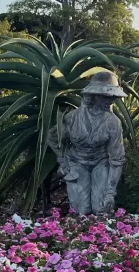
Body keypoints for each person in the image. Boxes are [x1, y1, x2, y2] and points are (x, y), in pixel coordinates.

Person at [48, 71, 126, 215]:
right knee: (81, 210)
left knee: (101, 208)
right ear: (94, 95)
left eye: (112, 96)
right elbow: (53, 137)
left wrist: (110, 192)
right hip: (76, 162)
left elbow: (117, 159)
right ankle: (80, 234)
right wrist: (62, 159)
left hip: (101, 162)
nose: (109, 100)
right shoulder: (73, 117)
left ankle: (104, 234)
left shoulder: (113, 122)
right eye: (105, 96)